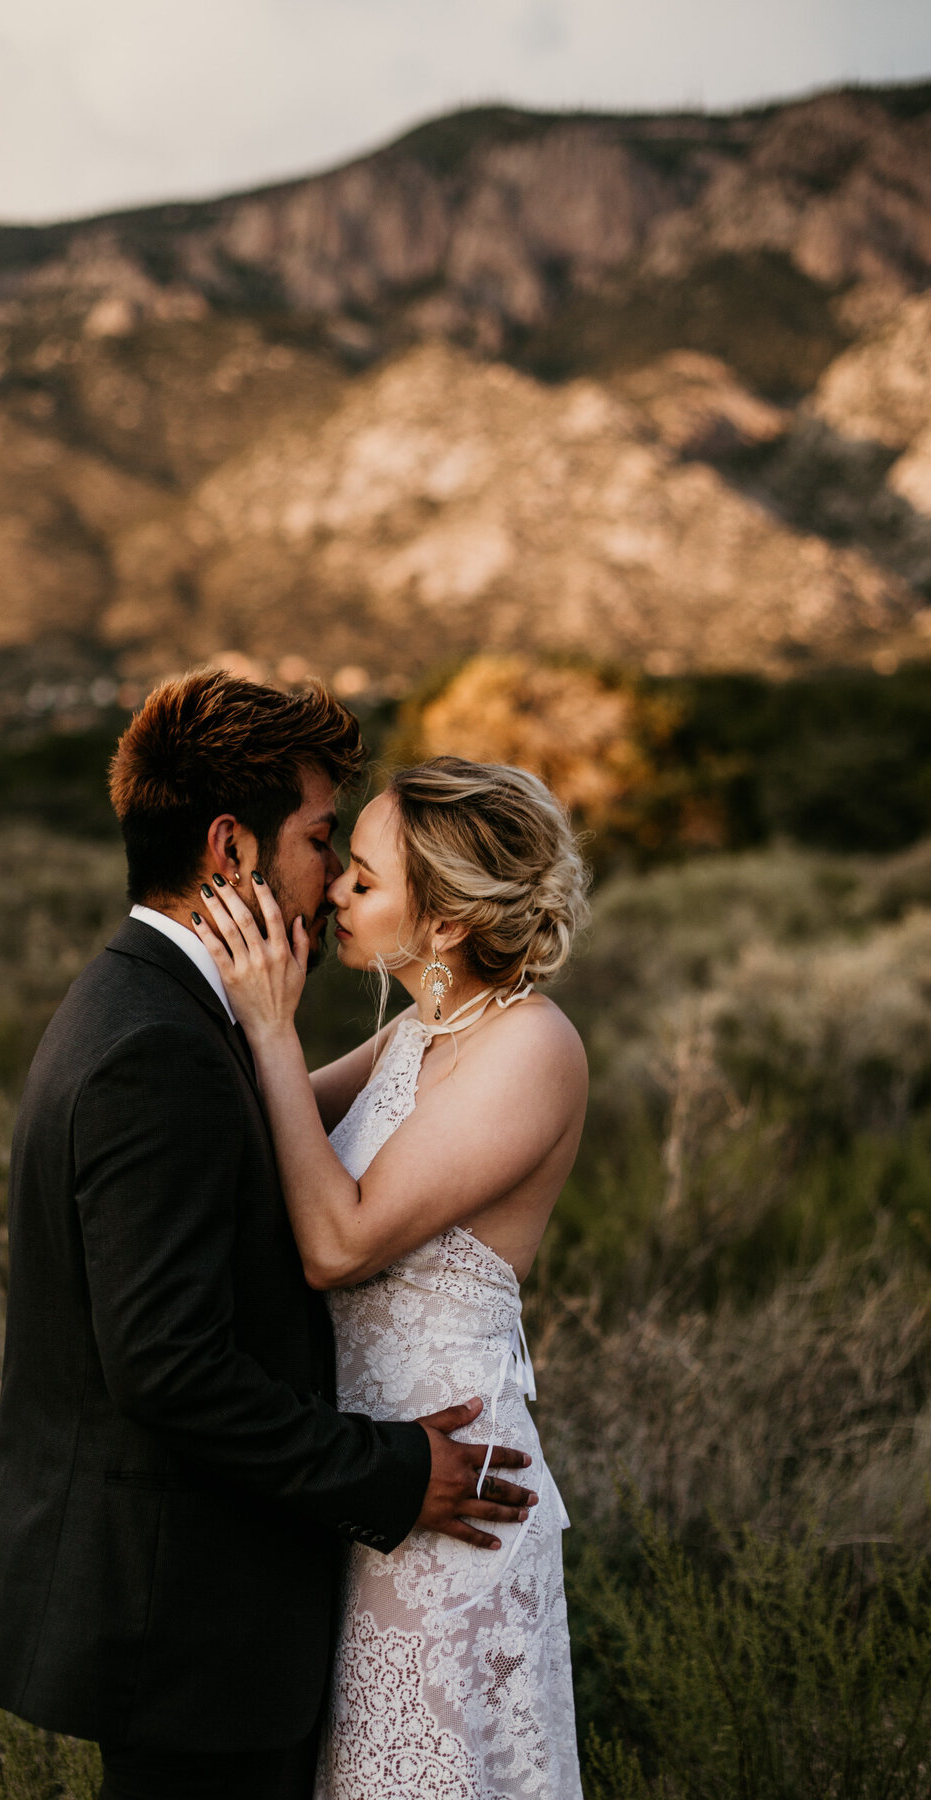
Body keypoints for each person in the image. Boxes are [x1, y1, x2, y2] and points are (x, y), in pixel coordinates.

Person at [0, 673, 536, 1800]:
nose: (331, 876)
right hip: (185, 1623)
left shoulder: (148, 1004)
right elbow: (167, 1366)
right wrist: (393, 1473)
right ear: (230, 847)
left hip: (201, 1608)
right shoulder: (159, 1045)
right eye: (318, 839)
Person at [192, 754, 589, 1799]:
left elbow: (337, 1241)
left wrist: (274, 1024)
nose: (334, 895)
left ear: (449, 923)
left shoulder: (531, 1047)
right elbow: (255, 1133)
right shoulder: (426, 1030)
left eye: (363, 881)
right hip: (370, 1482)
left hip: (453, 1497)